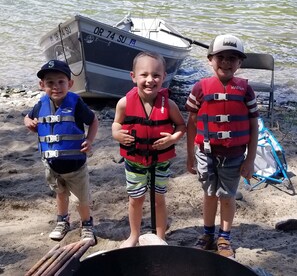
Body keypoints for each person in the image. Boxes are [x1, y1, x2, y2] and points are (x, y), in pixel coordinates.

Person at [186, 34, 259, 258]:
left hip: (234, 154)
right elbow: (191, 125)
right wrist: (190, 156)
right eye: (221, 57)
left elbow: (254, 126)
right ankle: (208, 234)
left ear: (240, 63)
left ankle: (224, 237)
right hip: (206, 154)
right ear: (210, 59)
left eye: (233, 58)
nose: (226, 62)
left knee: (227, 196)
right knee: (209, 194)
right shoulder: (200, 88)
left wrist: (250, 160)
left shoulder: (246, 90)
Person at [112, 51, 186, 248]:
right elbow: (116, 125)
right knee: (136, 199)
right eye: (144, 74)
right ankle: (134, 236)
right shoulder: (124, 103)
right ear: (133, 76)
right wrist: (117, 134)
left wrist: (172, 139)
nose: (150, 80)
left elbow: (181, 126)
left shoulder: (169, 105)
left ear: (163, 78)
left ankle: (161, 236)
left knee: (158, 198)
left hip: (160, 162)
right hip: (134, 161)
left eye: (156, 75)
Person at [24, 59, 99, 244]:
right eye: (50, 83)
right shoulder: (41, 104)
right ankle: (62, 220)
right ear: (42, 85)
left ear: (70, 84)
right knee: (60, 193)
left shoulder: (76, 103)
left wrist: (89, 140)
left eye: (61, 82)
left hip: (75, 165)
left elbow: (93, 120)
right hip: (51, 165)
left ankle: (86, 224)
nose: (56, 86)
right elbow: (28, 117)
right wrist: (29, 122)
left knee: (81, 199)